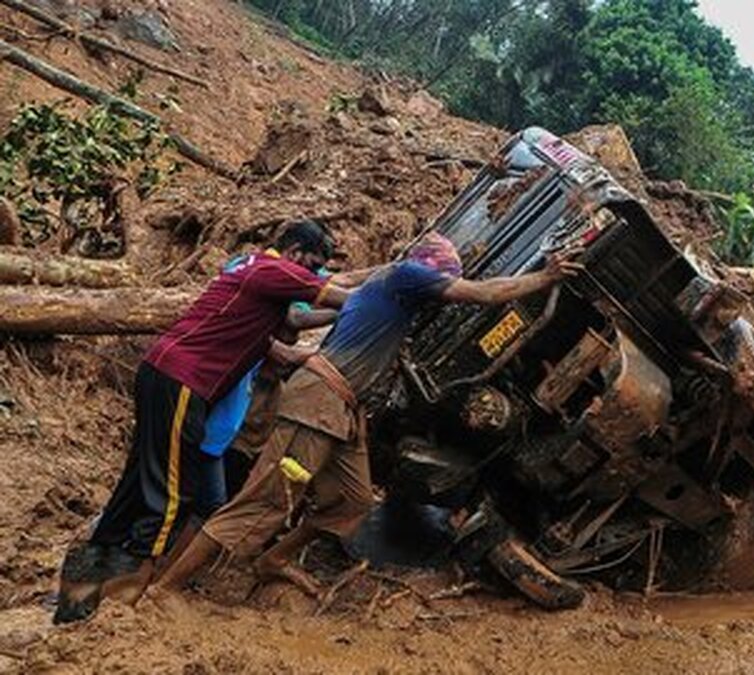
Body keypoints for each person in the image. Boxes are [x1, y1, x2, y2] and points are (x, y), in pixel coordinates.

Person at [150, 232, 581, 597]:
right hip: (319, 404)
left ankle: (273, 560)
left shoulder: (387, 287)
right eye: (443, 280)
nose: (443, 289)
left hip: (342, 408)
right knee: (263, 503)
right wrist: (546, 276)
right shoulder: (406, 276)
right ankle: (164, 590)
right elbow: (483, 294)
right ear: (429, 272)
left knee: (352, 501)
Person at [54, 220, 353, 624]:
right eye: (312, 266)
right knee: (172, 493)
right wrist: (396, 291)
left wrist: (304, 355)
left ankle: (81, 590)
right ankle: (127, 599)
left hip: (163, 372)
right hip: (184, 381)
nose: (312, 275)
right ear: (297, 253)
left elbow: (278, 341)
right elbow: (343, 298)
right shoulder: (273, 269)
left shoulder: (248, 278)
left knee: (139, 479)